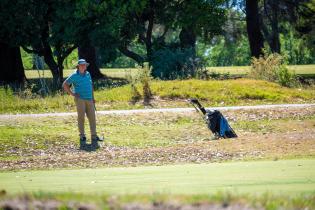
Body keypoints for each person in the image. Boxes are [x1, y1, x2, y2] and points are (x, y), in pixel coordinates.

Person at [62, 59, 101, 150]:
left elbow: (91, 86)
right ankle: (82, 136)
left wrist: (93, 97)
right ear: (78, 66)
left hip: (89, 99)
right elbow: (65, 84)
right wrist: (73, 94)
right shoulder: (74, 75)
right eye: (82, 65)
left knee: (92, 118)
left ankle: (94, 136)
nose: (84, 66)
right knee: (81, 117)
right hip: (80, 99)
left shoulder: (88, 74)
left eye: (85, 65)